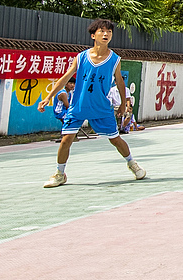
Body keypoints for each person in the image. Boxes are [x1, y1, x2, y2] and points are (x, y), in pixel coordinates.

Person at [36, 18, 146, 187]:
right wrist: (48, 97)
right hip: (78, 106)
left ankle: (132, 163)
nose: (106, 34)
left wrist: (124, 104)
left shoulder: (114, 59)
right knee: (66, 139)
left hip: (101, 107)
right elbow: (65, 77)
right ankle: (59, 173)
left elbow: (120, 82)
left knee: (115, 139)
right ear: (93, 35)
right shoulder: (81, 57)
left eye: (109, 32)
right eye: (102, 31)